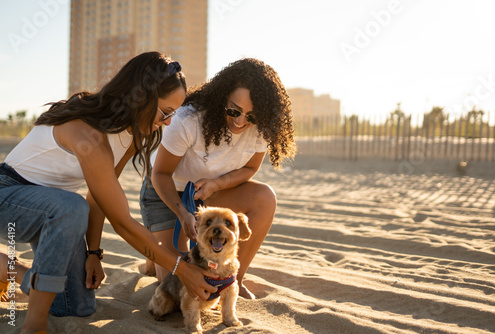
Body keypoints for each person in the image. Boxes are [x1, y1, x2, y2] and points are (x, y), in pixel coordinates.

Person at [0, 51, 218, 334]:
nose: (167, 122)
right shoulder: (85, 132)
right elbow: (123, 223)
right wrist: (183, 269)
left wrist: (94, 253)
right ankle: (33, 326)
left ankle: (8, 268)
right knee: (70, 206)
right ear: (141, 97)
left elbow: (98, 199)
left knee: (76, 307)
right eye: (165, 113)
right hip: (8, 196)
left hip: (51, 214)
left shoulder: (129, 136)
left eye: (173, 115)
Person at [139, 58, 296, 299]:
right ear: (220, 97)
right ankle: (156, 254)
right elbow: (159, 174)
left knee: (265, 197)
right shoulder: (187, 119)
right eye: (233, 110)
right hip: (165, 192)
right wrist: (182, 213)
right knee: (179, 285)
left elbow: (250, 169)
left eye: (251, 117)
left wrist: (217, 184)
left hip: (209, 194)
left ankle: (234, 280)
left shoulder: (261, 127)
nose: (240, 122)